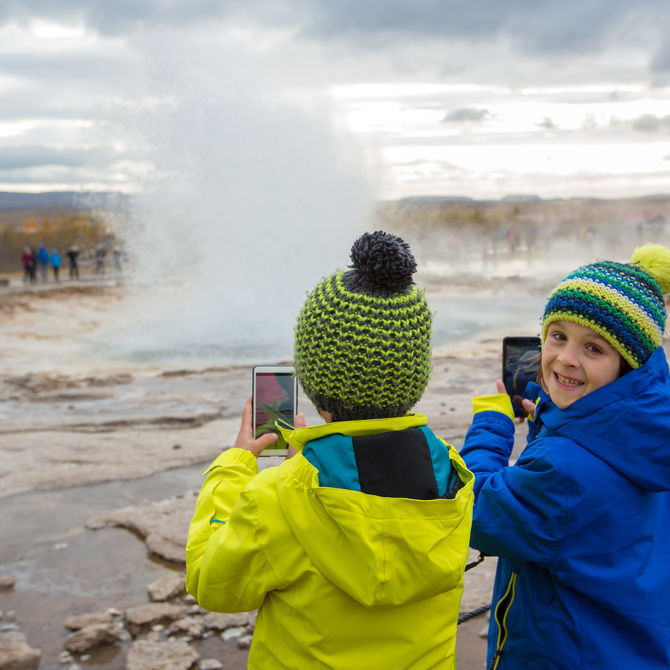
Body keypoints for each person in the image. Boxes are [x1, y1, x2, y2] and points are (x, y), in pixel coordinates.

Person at [186, 231, 474, 669]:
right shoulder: (453, 476)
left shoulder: (280, 496)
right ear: (414, 374)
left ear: (314, 383)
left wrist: (236, 466)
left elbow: (211, 582)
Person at [460, 244, 670, 669]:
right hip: (628, 647)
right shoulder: (647, 433)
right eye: (558, 336)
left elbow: (475, 508)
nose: (567, 359)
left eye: (594, 349)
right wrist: (553, 420)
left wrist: (492, 424)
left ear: (626, 365)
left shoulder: (562, 470)